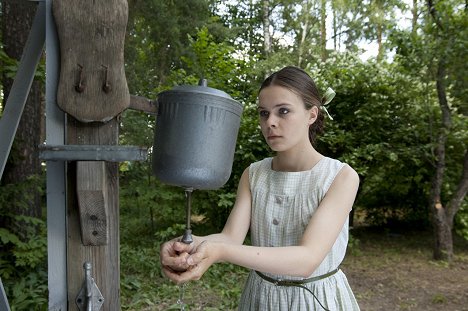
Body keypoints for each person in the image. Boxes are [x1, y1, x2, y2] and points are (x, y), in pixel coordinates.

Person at [160, 66, 360, 310]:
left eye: (283, 111)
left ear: (312, 115)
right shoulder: (254, 173)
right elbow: (229, 237)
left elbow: (307, 259)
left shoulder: (340, 177)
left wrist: (220, 251)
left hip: (314, 301)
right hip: (261, 298)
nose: (270, 123)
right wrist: (189, 246)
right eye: (264, 113)